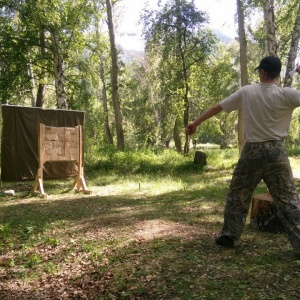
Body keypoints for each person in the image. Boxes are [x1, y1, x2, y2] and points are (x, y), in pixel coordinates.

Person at [186, 55, 300, 250]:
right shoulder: (287, 95)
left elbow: (217, 107)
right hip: (276, 151)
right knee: (288, 199)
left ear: (262, 72)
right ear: (278, 74)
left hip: (252, 152)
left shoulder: (247, 92)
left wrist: (195, 123)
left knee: (238, 193)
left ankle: (229, 236)